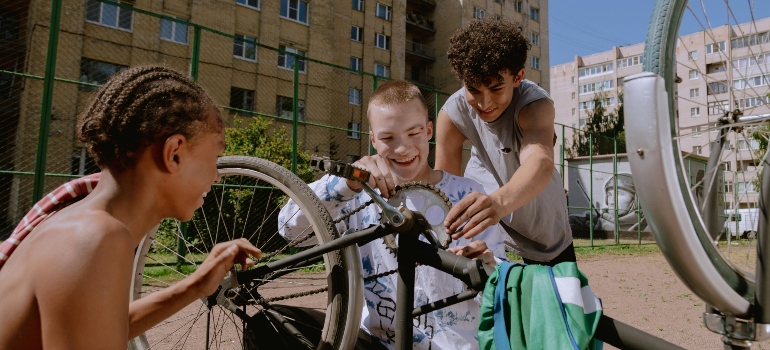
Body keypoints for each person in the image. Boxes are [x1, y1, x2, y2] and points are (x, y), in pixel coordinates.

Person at [0, 65, 262, 349]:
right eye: (215, 157)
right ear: (174, 154)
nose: (216, 175)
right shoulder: (96, 239)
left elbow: (97, 329)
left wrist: (196, 285)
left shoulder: (76, 224)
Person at [279, 80, 505, 350]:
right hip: (378, 343)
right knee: (270, 324)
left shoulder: (468, 193)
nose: (402, 149)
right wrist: (346, 184)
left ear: (429, 130)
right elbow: (290, 230)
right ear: (373, 139)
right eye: (388, 138)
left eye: (414, 133)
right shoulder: (356, 192)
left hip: (453, 346)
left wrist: (488, 265)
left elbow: (501, 286)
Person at [436, 18, 574, 266]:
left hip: (543, 229)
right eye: (473, 90)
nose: (484, 103)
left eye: (496, 89)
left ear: (518, 76)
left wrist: (498, 203)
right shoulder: (452, 114)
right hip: (489, 229)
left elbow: (540, 160)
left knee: (560, 292)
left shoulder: (535, 105)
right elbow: (445, 187)